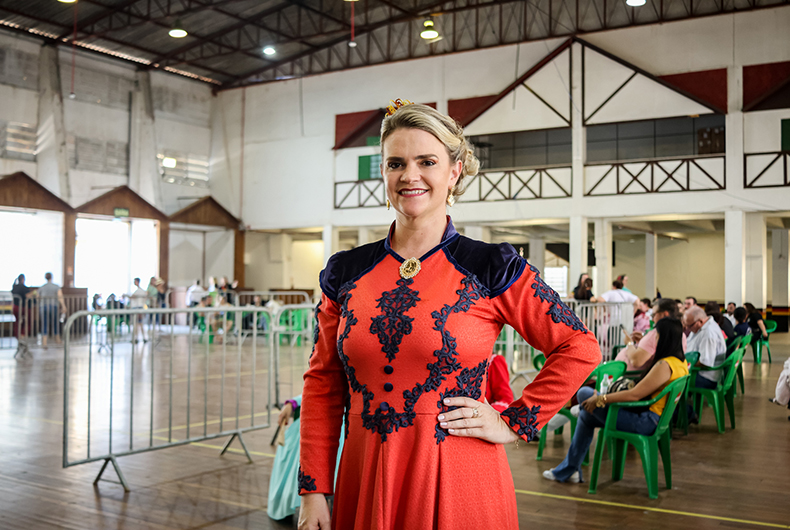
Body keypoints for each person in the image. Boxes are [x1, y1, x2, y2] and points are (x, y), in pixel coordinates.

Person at [298, 102, 601, 530]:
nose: (410, 175)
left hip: (459, 476)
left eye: (427, 162)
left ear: (454, 172)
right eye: (396, 163)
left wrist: (514, 422)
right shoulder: (345, 271)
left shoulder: (491, 266)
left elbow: (579, 346)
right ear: (383, 172)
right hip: (365, 472)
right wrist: (313, 491)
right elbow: (323, 383)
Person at [543, 317, 688, 483]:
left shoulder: (664, 366)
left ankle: (569, 467)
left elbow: (635, 395)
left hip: (645, 421)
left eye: (656, 335)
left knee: (584, 393)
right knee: (586, 416)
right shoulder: (680, 363)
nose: (654, 338)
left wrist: (601, 399)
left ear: (663, 338)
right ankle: (570, 468)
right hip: (652, 418)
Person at [616, 298, 686, 372]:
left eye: (653, 315)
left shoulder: (657, 333)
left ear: (665, 314)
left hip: (631, 375)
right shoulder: (681, 334)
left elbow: (636, 361)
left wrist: (629, 343)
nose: (652, 319)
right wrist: (643, 340)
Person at [683, 306, 726, 391]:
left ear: (700, 321)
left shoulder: (708, 334)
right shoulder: (700, 326)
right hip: (698, 370)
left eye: (689, 326)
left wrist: (684, 364)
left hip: (705, 377)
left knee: (673, 381)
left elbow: (705, 362)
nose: (687, 329)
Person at [36, 272, 67, 348]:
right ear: (51, 277)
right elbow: (60, 296)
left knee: (44, 324)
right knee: (55, 323)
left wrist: (40, 303)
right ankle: (57, 339)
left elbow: (37, 297)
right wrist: (63, 306)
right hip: (53, 306)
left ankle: (44, 342)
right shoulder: (56, 287)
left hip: (43, 306)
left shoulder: (42, 287)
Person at [11, 274, 31, 339]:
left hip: (15, 307)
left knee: (17, 322)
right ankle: (23, 335)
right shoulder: (24, 288)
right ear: (23, 280)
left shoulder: (14, 287)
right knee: (26, 321)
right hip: (22, 308)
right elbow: (27, 295)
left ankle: (17, 335)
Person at [129, 278, 149, 342]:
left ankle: (137, 338)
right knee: (139, 324)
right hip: (139, 308)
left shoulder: (139, 291)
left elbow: (132, 297)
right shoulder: (141, 291)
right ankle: (142, 338)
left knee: (138, 324)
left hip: (138, 308)